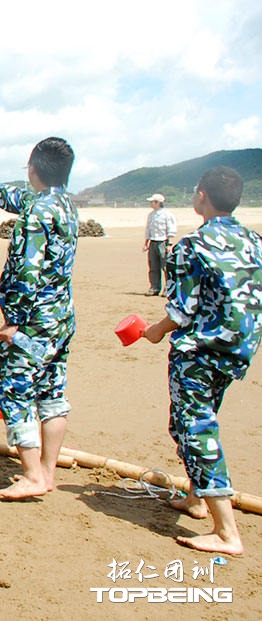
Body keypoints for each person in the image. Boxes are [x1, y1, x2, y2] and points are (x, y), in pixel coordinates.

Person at [142, 166, 262, 555]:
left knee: (196, 429)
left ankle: (227, 532)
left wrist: (156, 330)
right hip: (237, 349)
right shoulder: (253, 240)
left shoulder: (193, 245)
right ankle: (196, 498)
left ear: (202, 197)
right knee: (196, 419)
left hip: (200, 351)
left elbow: (181, 311)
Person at [0, 136, 78, 501]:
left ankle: (33, 474)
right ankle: (47, 471)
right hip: (60, 318)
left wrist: (14, 322)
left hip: (33, 321)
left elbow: (26, 271)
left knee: (15, 393)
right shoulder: (64, 204)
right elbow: (25, 200)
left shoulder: (37, 215)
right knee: (52, 393)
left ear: (33, 169)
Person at [143, 193, 177, 296]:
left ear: (158, 203)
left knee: (165, 266)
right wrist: (146, 243)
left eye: (152, 202)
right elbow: (148, 229)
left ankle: (168, 288)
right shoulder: (151, 215)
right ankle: (154, 287)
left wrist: (169, 244)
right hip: (153, 241)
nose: (150, 203)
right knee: (153, 266)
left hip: (163, 241)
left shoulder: (167, 214)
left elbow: (171, 228)